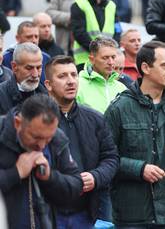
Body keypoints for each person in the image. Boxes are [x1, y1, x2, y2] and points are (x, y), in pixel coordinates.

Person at [104, 40, 165, 228]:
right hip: (131, 214)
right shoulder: (119, 108)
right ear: (145, 67)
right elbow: (105, 159)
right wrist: (139, 169)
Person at [44, 55, 119, 228]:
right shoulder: (37, 121)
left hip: (86, 212)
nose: (70, 81)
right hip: (49, 213)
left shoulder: (95, 118)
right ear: (48, 85)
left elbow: (111, 158)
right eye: (62, 76)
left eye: (73, 75)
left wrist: (96, 176)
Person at [0, 94, 83, 229]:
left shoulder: (57, 139)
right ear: (18, 123)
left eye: (48, 138)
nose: (42, 145)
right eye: (36, 137)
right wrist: (15, 173)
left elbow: (76, 186)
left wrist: (50, 177)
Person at [71, 0, 121, 69]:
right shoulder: (79, 4)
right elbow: (79, 33)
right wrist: (98, 51)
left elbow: (118, 29)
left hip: (108, 60)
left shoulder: (111, 5)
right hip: (85, 60)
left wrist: (111, 49)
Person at [76, 38, 126, 114]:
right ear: (92, 59)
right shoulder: (77, 86)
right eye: (105, 58)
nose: (111, 62)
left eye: (113, 57)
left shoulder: (122, 88)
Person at [0, 43, 48, 115]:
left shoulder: (46, 95)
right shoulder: (2, 95)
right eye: (29, 68)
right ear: (14, 67)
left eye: (38, 68)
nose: (35, 74)